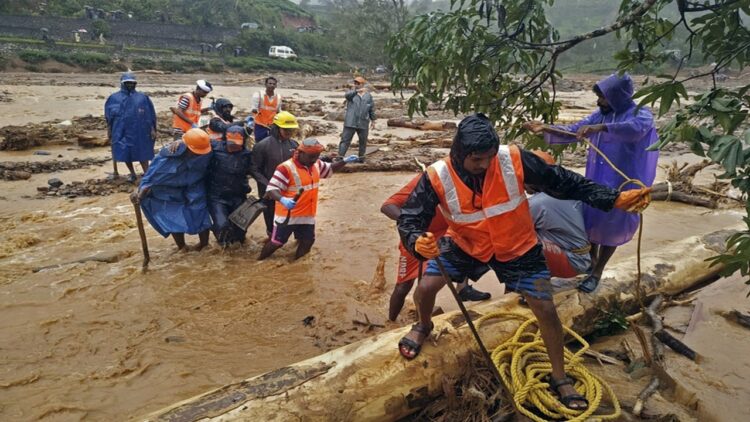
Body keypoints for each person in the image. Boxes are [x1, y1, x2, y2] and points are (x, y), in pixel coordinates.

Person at [396, 114, 651, 410]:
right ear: (460, 154)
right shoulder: (436, 175)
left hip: (517, 245)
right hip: (466, 243)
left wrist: (612, 199)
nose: (485, 165)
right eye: (478, 159)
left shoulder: (513, 158)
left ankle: (559, 377)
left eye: (489, 157)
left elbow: (564, 182)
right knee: (426, 287)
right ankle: (423, 325)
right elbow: (410, 217)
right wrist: (416, 241)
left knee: (545, 307)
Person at [523, 73, 659, 293]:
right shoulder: (601, 115)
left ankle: (598, 272)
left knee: (613, 226)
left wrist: (602, 129)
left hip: (624, 181)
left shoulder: (640, 114)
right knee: (592, 221)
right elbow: (577, 129)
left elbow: (634, 129)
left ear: (616, 97)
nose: (599, 102)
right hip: (598, 176)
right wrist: (545, 128)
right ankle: (591, 263)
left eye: (603, 98)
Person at [381, 174, 492, 322]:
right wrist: (411, 225)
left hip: (445, 234)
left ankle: (462, 289)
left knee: (463, 250)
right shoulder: (428, 180)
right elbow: (387, 206)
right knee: (404, 286)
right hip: (418, 238)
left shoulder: (471, 181)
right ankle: (391, 321)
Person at [259, 139, 358, 260]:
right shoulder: (285, 168)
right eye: (311, 156)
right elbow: (271, 189)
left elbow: (329, 169)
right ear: (300, 153)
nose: (314, 159)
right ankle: (259, 261)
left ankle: (296, 267)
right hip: (288, 215)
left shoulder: (316, 164)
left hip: (307, 214)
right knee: (277, 242)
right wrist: (283, 199)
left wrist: (344, 161)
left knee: (308, 241)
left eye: (316, 156)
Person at [132, 129, 213, 251]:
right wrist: (141, 192)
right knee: (172, 214)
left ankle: (204, 245)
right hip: (169, 188)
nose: (198, 155)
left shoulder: (207, 148)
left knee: (199, 210)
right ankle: (182, 247)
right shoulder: (168, 154)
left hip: (194, 184)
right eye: (194, 152)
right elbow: (151, 176)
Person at [527, 150, 592, 279]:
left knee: (517, 244)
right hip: (583, 256)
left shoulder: (538, 203)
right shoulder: (568, 190)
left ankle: (534, 289)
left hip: (571, 261)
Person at [206, 98, 253, 247]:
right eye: (224, 107)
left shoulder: (247, 155)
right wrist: (178, 142)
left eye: (229, 107)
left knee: (240, 233)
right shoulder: (214, 147)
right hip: (218, 196)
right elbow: (194, 142)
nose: (227, 110)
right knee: (222, 228)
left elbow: (257, 169)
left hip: (238, 194)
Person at [249, 111, 300, 237]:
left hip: (288, 189)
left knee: (291, 217)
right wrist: (269, 187)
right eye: (286, 129)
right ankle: (271, 239)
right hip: (268, 191)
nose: (289, 133)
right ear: (277, 128)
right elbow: (254, 170)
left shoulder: (294, 145)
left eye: (291, 130)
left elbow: (301, 165)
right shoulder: (262, 146)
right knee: (271, 218)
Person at [104, 72, 157, 182]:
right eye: (127, 83)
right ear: (122, 83)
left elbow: (151, 114)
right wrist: (109, 130)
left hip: (140, 131)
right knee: (125, 153)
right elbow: (109, 117)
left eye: (132, 83)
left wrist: (152, 129)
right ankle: (132, 173)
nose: (130, 85)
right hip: (121, 131)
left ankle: (147, 175)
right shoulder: (114, 98)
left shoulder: (142, 98)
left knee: (143, 152)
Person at [337, 76, 376, 162]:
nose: (356, 85)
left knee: (363, 141)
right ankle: (340, 157)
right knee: (345, 140)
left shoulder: (368, 96)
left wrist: (373, 120)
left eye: (358, 83)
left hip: (363, 122)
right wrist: (357, 91)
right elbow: (347, 96)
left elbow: (371, 108)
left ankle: (361, 158)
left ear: (362, 84)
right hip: (350, 122)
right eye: (355, 83)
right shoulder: (351, 94)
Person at [250, 76, 282, 142]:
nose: (272, 85)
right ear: (265, 84)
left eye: (274, 84)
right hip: (260, 125)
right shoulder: (258, 95)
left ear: (276, 86)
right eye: (270, 83)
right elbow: (254, 109)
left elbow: (278, 112)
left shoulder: (278, 97)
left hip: (272, 126)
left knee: (272, 143)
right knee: (259, 143)